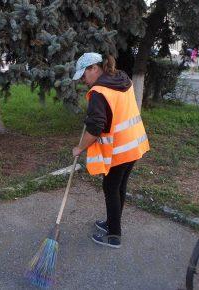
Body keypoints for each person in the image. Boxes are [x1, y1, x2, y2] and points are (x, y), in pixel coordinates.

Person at [71, 52, 150, 248]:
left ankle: (114, 235)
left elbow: (96, 129)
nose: (83, 79)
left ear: (95, 69)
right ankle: (111, 224)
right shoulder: (121, 79)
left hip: (119, 149)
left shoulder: (99, 91)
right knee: (119, 187)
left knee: (111, 188)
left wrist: (79, 148)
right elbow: (110, 114)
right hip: (134, 144)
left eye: (84, 74)